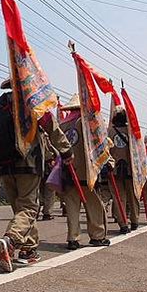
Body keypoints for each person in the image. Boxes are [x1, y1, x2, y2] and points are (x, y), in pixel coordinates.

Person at [0, 79, 73, 273]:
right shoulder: (33, 103)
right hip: (27, 162)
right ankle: (11, 239)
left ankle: (28, 250)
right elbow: (52, 128)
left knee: (21, 208)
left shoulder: (1, 104)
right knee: (28, 208)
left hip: (5, 164)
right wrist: (66, 152)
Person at [59, 95, 109, 249]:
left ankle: (73, 238)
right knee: (94, 205)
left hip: (68, 171)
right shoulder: (88, 123)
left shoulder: (63, 124)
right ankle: (97, 236)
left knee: (72, 207)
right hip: (87, 172)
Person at [108, 106, 139, 234]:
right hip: (131, 168)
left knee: (119, 197)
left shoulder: (109, 132)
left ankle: (123, 223)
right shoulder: (132, 131)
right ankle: (135, 220)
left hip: (114, 169)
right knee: (133, 195)